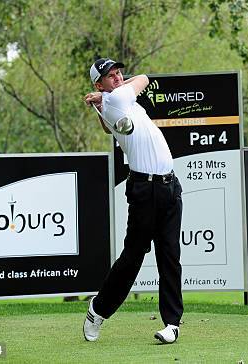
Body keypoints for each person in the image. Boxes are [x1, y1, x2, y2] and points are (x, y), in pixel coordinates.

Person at [82, 58, 183, 344]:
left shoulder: (113, 101)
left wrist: (102, 99)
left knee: (170, 256)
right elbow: (144, 78)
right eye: (109, 76)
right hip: (144, 190)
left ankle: (172, 323)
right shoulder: (117, 99)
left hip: (169, 187)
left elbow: (107, 126)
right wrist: (107, 97)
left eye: (117, 73)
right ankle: (98, 310)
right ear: (98, 84)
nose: (117, 78)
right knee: (133, 258)